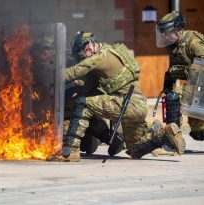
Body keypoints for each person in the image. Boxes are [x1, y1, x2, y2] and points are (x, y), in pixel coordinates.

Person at [47, 31, 186, 162]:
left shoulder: (100, 57)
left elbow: (73, 72)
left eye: (82, 55)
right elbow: (89, 83)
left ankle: (70, 151)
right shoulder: (113, 51)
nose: (82, 58)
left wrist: (45, 75)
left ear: (88, 46)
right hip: (138, 106)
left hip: (128, 104)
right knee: (135, 149)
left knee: (83, 103)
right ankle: (165, 133)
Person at [156, 11, 204, 141]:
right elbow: (175, 67)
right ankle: (173, 136)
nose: (166, 36)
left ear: (179, 29)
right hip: (195, 84)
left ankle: (172, 138)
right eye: (163, 33)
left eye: (168, 32)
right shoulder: (174, 46)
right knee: (198, 133)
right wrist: (168, 81)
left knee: (174, 97)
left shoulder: (193, 42)